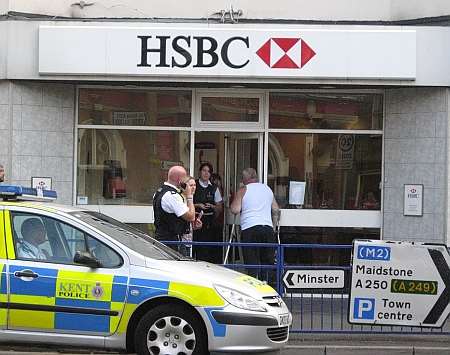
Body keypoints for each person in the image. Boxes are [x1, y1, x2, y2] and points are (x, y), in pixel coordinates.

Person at [230, 168, 280, 279]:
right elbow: (276, 209)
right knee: (266, 262)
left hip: (250, 228)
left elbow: (235, 209)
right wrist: (274, 226)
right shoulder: (267, 189)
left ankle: (253, 287)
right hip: (267, 229)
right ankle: (265, 284)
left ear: (244, 179)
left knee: (252, 263)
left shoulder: (243, 190)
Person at [153, 166, 196, 251]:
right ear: (180, 180)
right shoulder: (172, 196)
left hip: (162, 238)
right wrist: (189, 197)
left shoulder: (160, 191)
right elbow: (191, 216)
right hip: (172, 242)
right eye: (184, 178)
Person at [193, 162, 223, 263]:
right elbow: (185, 204)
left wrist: (213, 206)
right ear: (200, 172)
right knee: (194, 248)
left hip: (209, 222)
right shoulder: (194, 185)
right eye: (204, 171)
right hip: (194, 220)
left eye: (209, 171)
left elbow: (220, 207)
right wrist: (198, 205)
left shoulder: (214, 188)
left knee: (206, 250)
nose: (206, 173)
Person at [179, 176, 202, 257]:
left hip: (188, 239)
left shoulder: (190, 199)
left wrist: (195, 225)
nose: (193, 188)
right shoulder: (180, 199)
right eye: (191, 185)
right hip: (180, 240)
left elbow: (189, 220)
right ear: (184, 187)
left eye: (195, 185)